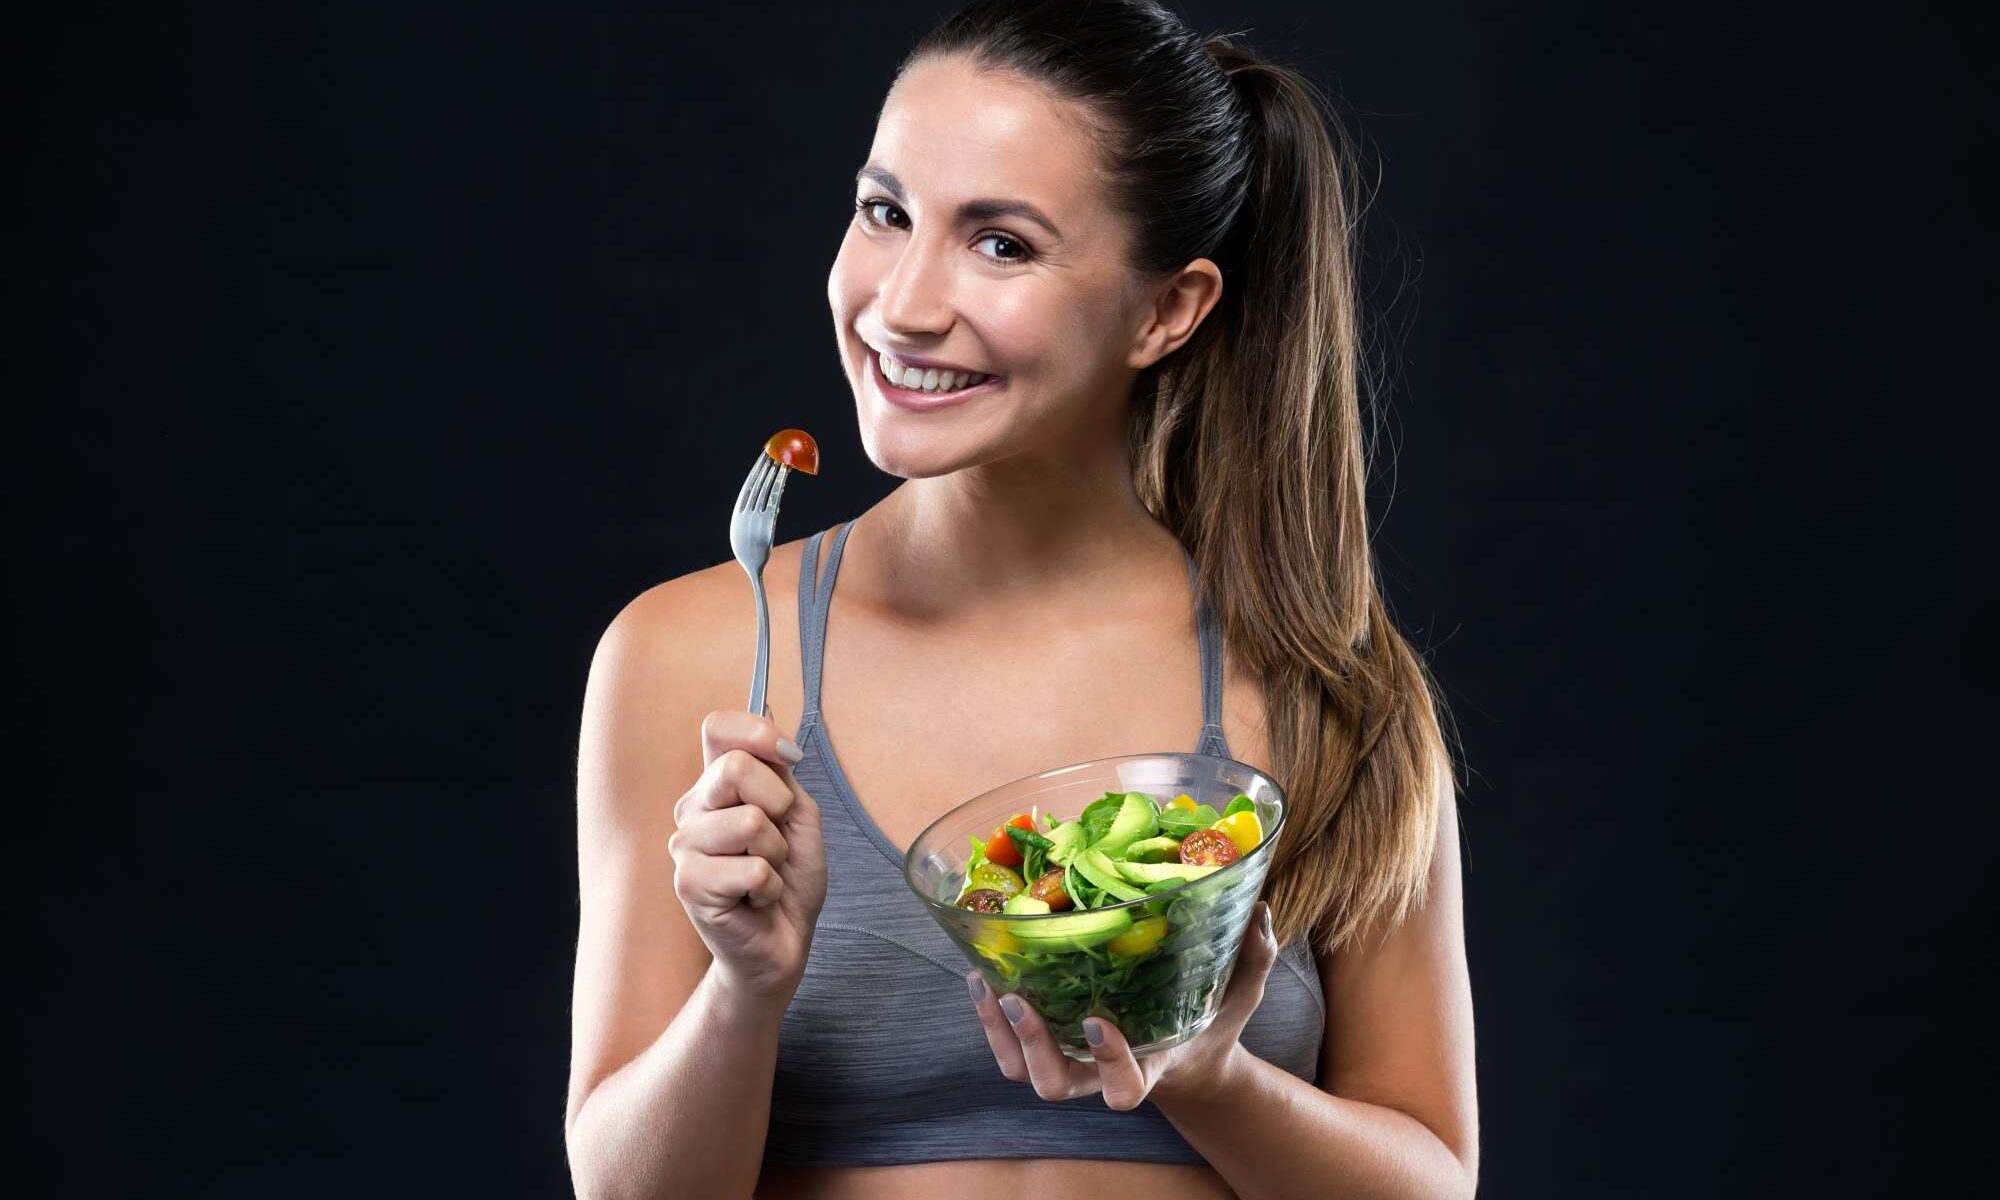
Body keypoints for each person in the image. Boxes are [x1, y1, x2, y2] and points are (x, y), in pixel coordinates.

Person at [564, 1, 1477, 1196]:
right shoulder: (688, 654)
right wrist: (743, 990)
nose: (901, 305)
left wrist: (1204, 1073)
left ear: (1167, 310)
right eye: (886, 213)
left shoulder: (1323, 678)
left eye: (1001, 245)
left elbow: (1431, 1179)